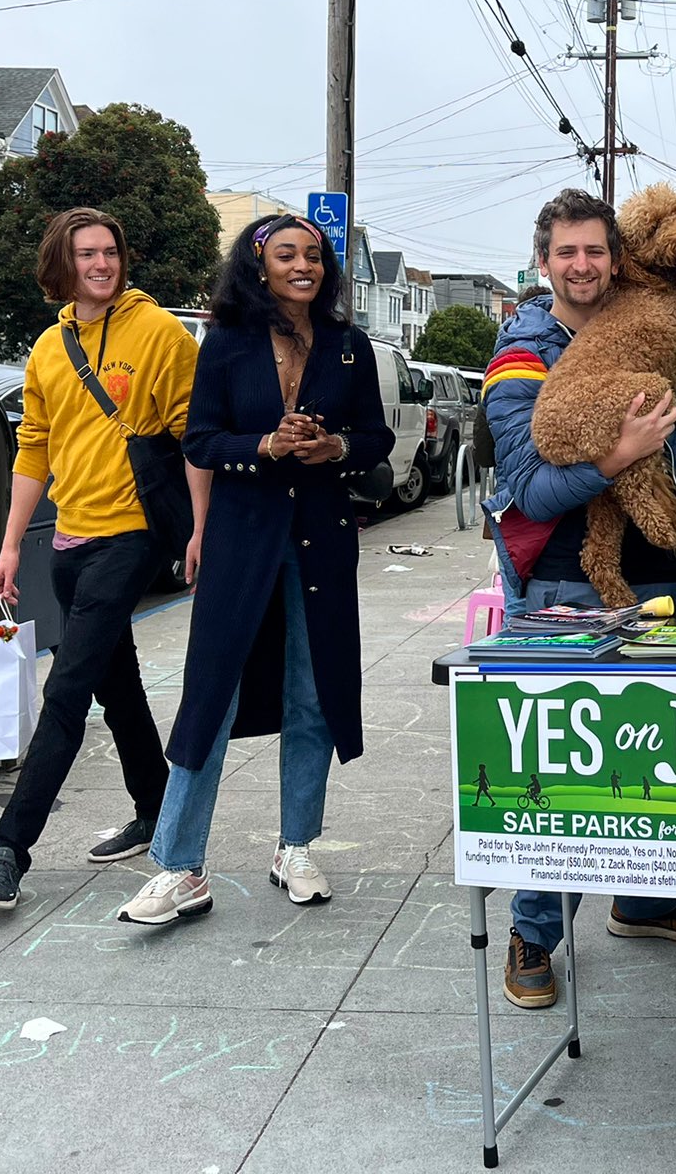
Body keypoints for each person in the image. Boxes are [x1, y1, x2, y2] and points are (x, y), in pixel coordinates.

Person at [115, 216, 393, 925]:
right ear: (258, 265)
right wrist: (267, 445)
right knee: (212, 697)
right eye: (286, 255)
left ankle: (295, 845)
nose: (303, 266)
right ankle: (180, 865)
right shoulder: (228, 343)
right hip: (243, 541)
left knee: (313, 694)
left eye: (313, 256)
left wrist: (333, 447)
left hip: (321, 543)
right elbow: (202, 439)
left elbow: (377, 437)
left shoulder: (349, 346)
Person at [482, 187, 676, 1009]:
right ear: (543, 264)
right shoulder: (522, 353)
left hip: (655, 569)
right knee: (564, 766)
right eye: (566, 253)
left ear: (616, 257)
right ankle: (533, 931)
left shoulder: (653, 319)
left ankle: (642, 897)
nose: (583, 266)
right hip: (558, 580)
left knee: (654, 751)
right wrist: (620, 456)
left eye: (595, 251)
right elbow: (531, 491)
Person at [0, 208, 203, 911]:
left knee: (65, 693)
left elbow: (194, 436)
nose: (101, 264)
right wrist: (11, 544)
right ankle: (156, 809)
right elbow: (33, 448)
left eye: (110, 252)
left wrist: (200, 532)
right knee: (115, 683)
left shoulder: (158, 332)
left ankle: (8, 852)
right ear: (62, 265)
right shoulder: (47, 348)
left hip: (133, 534)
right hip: (70, 540)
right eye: (86, 255)